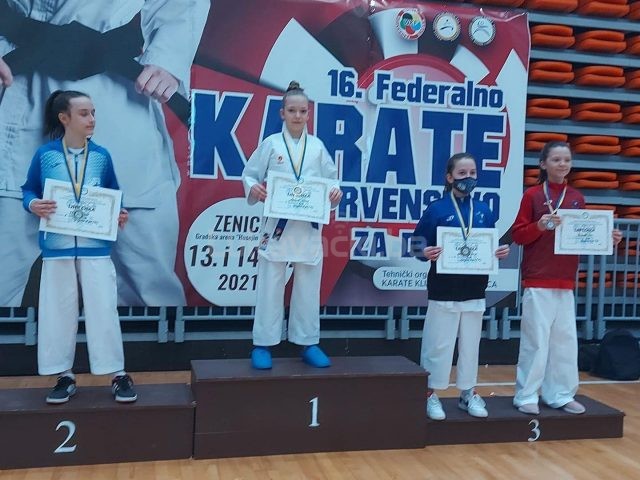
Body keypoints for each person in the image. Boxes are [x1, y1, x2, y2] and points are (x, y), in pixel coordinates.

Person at [0, 0, 209, 307]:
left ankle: (155, 340)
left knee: (146, 274)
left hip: (116, 96)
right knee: (3, 259)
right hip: (22, 83)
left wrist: (167, 58)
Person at [22, 90, 136, 404]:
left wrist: (120, 213)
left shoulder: (101, 156)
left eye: (93, 112)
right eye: (84, 113)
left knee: (104, 310)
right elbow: (29, 189)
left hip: (95, 248)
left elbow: (114, 194)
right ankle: (63, 375)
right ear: (64, 118)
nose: (92, 119)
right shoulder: (45, 155)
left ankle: (117, 374)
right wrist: (32, 204)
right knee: (57, 312)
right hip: (56, 248)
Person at [511, 141, 622, 415]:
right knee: (536, 341)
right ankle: (526, 395)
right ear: (543, 164)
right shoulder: (532, 195)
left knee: (565, 342)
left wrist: (606, 238)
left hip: (565, 280)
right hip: (538, 278)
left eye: (567, 160)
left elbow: (582, 237)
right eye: (556, 159)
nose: (562, 164)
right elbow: (518, 235)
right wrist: (539, 225)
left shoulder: (576, 197)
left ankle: (559, 394)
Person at [242, 81, 343, 370]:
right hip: (277, 224)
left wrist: (334, 194)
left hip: (307, 225)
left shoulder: (317, 147)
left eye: (302, 111)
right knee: (270, 284)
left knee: (308, 286)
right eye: (292, 111)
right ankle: (263, 344)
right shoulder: (272, 144)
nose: (297, 116)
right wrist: (254, 188)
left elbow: (332, 181)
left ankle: (308, 342)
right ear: (282, 113)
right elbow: (250, 174)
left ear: (309, 114)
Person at [411, 152, 510, 420]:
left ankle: (468, 392)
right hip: (443, 287)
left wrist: (499, 252)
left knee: (470, 345)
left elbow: (489, 245)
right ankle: (429, 394)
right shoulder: (436, 209)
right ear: (449, 177)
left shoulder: (485, 211)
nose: (468, 177)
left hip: (475, 288)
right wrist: (425, 253)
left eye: (472, 173)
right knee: (438, 344)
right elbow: (416, 243)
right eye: (462, 173)